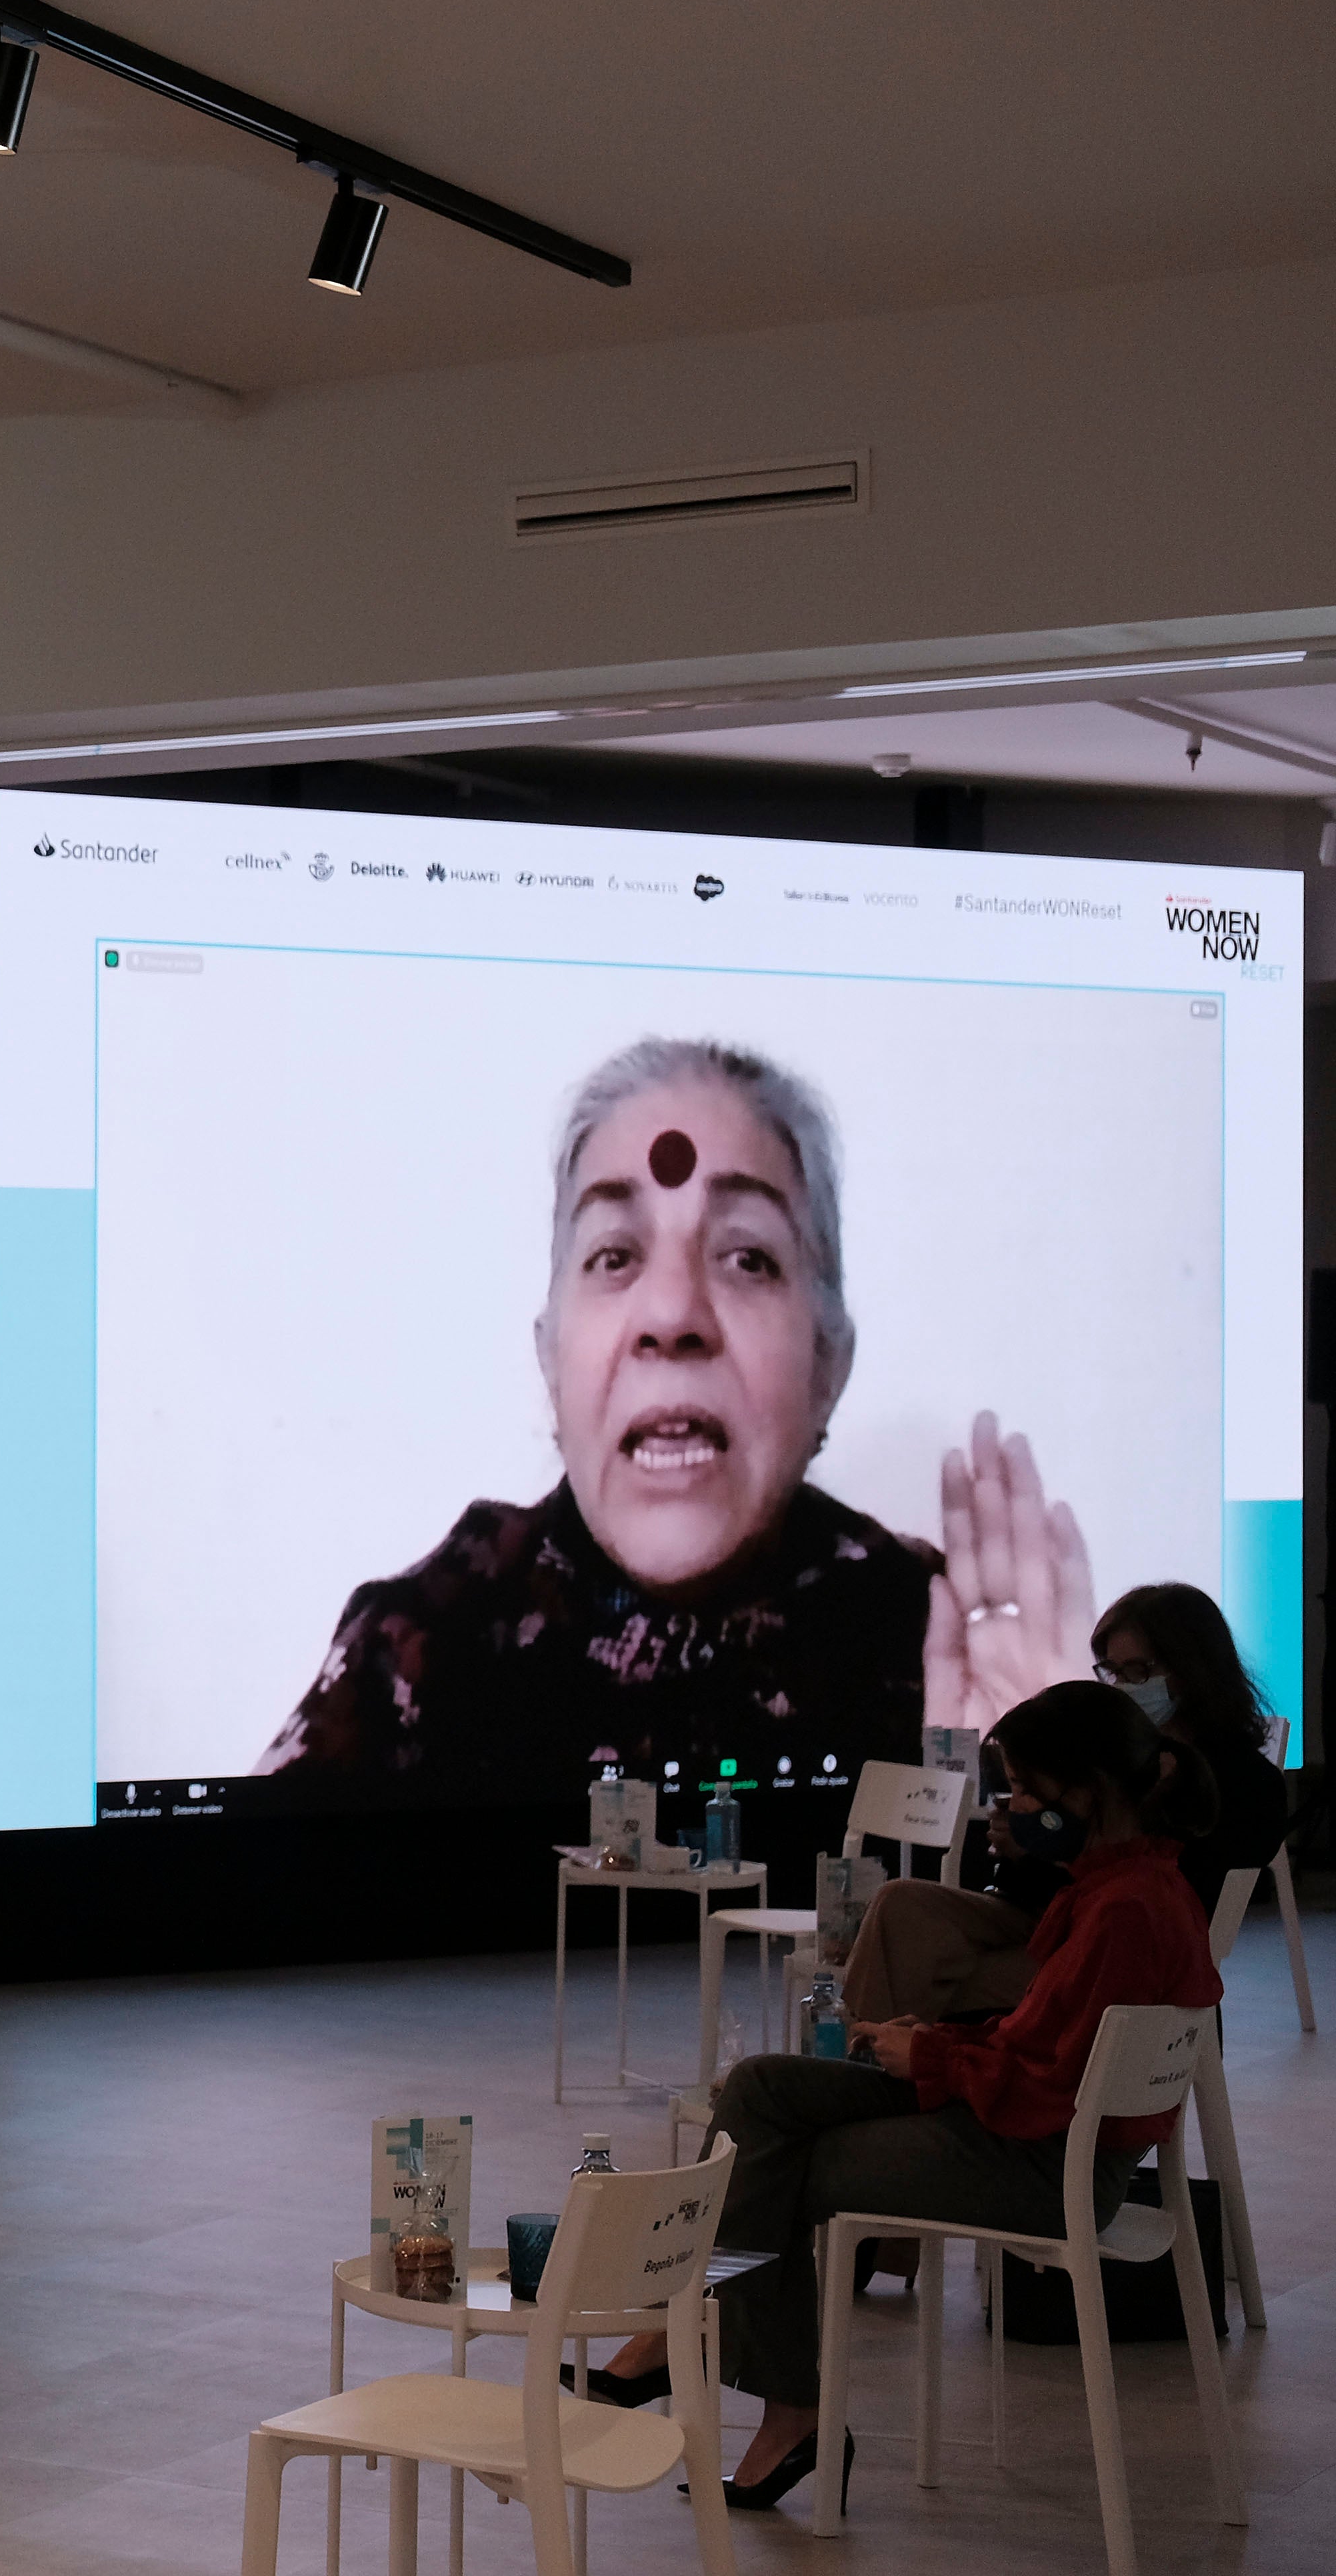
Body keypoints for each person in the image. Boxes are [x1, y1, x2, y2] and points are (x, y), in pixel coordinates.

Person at [259, 1036, 1087, 1793]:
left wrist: (1046, 1804)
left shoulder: (941, 1650)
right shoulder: (419, 1651)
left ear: (828, 1364)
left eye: (747, 1257)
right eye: (614, 1256)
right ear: (551, 1361)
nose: (671, 1313)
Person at [568, 1679, 1221, 2504]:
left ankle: (755, 2380)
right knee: (762, 2089)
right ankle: (709, 2342)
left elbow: (1054, 2088)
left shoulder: (1125, 1909)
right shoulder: (1117, 1890)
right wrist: (939, 2041)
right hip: (1026, 2131)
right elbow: (1045, 2044)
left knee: (775, 2162)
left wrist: (939, 2060)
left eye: (1023, 1788)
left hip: (1046, 2163)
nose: (1012, 1804)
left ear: (1083, 1792)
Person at [843, 1579, 1290, 2023]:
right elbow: (1036, 1879)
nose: (1124, 1688)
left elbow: (1171, 1890)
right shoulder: (1108, 1746)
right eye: (1113, 1673)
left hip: (1118, 1945)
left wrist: (1058, 1847)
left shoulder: (1245, 1781)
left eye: (1139, 1672)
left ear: (1193, 1670)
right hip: (1042, 1917)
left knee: (921, 1972)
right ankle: (883, 2072)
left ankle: (870, 2077)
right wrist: (1025, 1841)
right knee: (901, 1905)